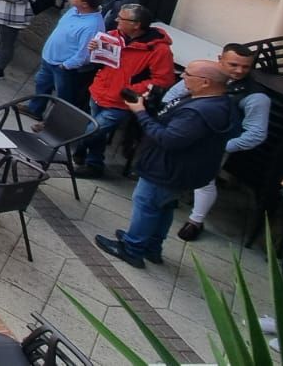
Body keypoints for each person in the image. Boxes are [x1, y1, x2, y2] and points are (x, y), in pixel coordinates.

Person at [95, 61, 238, 269]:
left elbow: (168, 139)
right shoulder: (220, 103)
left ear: (206, 82)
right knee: (164, 206)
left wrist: (140, 113)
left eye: (188, 74)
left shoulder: (199, 112)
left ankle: (132, 248)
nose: (183, 77)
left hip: (168, 169)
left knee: (147, 204)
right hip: (185, 170)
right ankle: (152, 247)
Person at [174, 44, 269, 242]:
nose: (239, 70)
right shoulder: (203, 73)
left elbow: (256, 134)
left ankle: (195, 222)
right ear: (220, 59)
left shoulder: (256, 96)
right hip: (184, 131)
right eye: (233, 64)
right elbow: (174, 95)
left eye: (246, 66)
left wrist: (222, 147)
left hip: (215, 144)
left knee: (204, 181)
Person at [75, 3, 177, 179]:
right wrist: (94, 50)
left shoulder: (159, 50)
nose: (116, 20)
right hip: (99, 91)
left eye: (121, 18)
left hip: (121, 102)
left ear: (136, 24)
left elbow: (164, 80)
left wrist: (129, 90)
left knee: (92, 131)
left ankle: (82, 151)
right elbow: (101, 63)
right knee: (97, 132)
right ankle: (93, 164)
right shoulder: (113, 36)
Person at [23, 0, 106, 117]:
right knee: (41, 84)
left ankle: (55, 123)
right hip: (49, 58)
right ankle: (35, 110)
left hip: (64, 67)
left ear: (85, 4)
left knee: (63, 98)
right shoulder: (73, 10)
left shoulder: (92, 26)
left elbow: (85, 54)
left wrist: (66, 65)